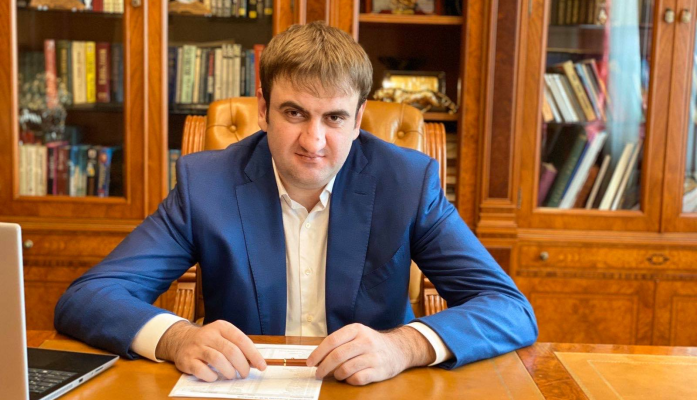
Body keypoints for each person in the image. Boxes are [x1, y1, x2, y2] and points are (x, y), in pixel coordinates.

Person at [55, 21, 537, 386]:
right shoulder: (207, 184)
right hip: (245, 389)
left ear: (358, 119)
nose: (314, 140)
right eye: (294, 113)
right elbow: (89, 296)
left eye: (335, 117)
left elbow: (509, 308)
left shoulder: (407, 183)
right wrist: (178, 338)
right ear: (263, 109)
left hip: (370, 391)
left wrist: (404, 347)